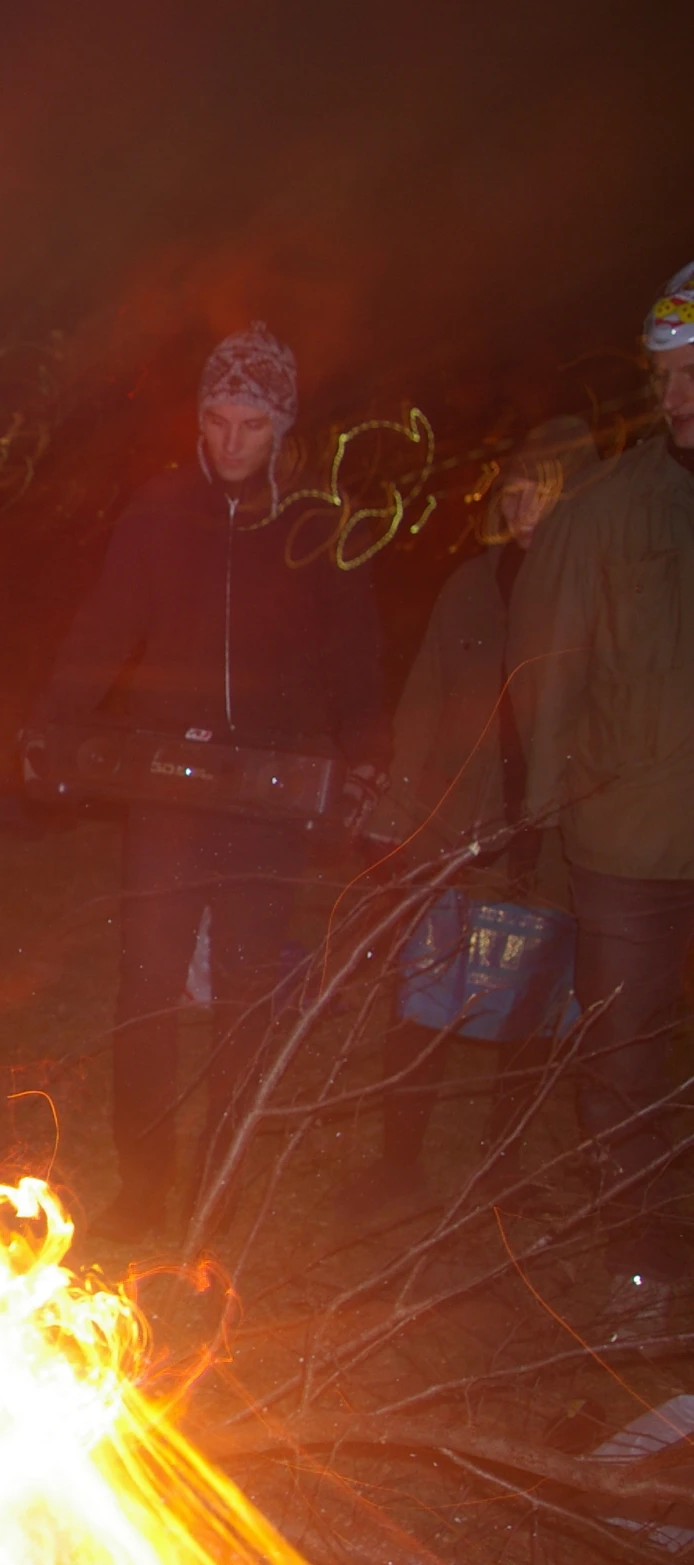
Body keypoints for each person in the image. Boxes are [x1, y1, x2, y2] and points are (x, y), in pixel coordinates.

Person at [41, 322, 387, 1242]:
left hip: (269, 794)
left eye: (251, 424)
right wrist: (53, 723)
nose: (231, 442)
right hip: (168, 783)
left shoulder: (317, 522)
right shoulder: (158, 510)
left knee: (244, 991)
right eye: (218, 421)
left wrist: (365, 759)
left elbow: (357, 655)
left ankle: (219, 1182)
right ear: (198, 417)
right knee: (146, 983)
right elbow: (104, 625)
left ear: (283, 425)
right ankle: (144, 1181)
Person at [508, 262, 694, 1337]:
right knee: (622, 1066)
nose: (676, 398)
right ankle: (640, 1271)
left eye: (692, 375)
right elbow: (550, 670)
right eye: (665, 378)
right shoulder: (609, 508)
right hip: (624, 842)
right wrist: (543, 813)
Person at [348, 417, 596, 1211]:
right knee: (424, 997)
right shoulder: (471, 585)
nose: (525, 507)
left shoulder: (599, 593)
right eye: (518, 488)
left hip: (552, 837)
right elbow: (423, 697)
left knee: (529, 1008)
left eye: (546, 493)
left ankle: (502, 1171)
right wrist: (399, 813)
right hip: (457, 823)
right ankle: (395, 1164)